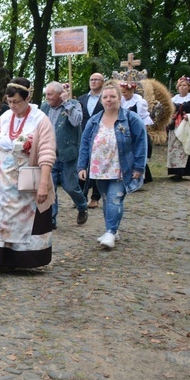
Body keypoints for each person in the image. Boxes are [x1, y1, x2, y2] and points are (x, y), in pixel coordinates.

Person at [0, 78, 56, 273]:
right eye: (9, 101)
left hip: (25, 176)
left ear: (27, 98)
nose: (12, 105)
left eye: (16, 102)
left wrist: (43, 183)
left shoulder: (40, 120)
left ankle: (17, 258)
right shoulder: (4, 117)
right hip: (0, 176)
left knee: (20, 218)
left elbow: (47, 152)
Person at [78, 84, 147, 249]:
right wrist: (82, 166)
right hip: (99, 169)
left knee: (115, 198)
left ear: (119, 98)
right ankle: (113, 229)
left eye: (112, 96)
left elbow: (141, 144)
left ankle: (110, 232)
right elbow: (85, 144)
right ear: (101, 100)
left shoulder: (131, 119)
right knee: (107, 199)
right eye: (105, 97)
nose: (109, 100)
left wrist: (139, 167)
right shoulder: (94, 121)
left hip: (121, 168)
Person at [40, 81, 89, 229]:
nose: (47, 97)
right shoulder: (44, 107)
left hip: (69, 155)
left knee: (70, 186)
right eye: (46, 94)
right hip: (50, 154)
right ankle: (51, 219)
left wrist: (67, 102)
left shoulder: (74, 104)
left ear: (60, 94)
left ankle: (82, 206)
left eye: (50, 94)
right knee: (50, 188)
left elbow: (76, 121)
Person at [168, 76, 190, 181]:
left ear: (189, 87)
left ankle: (183, 171)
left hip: (186, 126)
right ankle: (175, 171)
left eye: (184, 85)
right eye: (180, 85)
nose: (182, 87)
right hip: (174, 126)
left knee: (184, 147)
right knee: (174, 148)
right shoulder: (174, 99)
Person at [78, 73, 105, 208]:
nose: (93, 82)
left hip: (100, 135)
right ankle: (81, 196)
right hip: (83, 135)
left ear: (102, 82)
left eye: (96, 80)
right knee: (82, 165)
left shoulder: (105, 99)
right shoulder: (81, 99)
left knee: (97, 165)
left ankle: (95, 197)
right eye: (91, 79)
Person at [120, 81, 154, 183]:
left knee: (137, 153)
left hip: (136, 132)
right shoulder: (121, 102)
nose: (123, 94)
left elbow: (144, 119)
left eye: (125, 92)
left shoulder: (139, 102)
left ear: (131, 91)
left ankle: (137, 178)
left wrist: (140, 133)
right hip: (124, 132)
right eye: (121, 92)